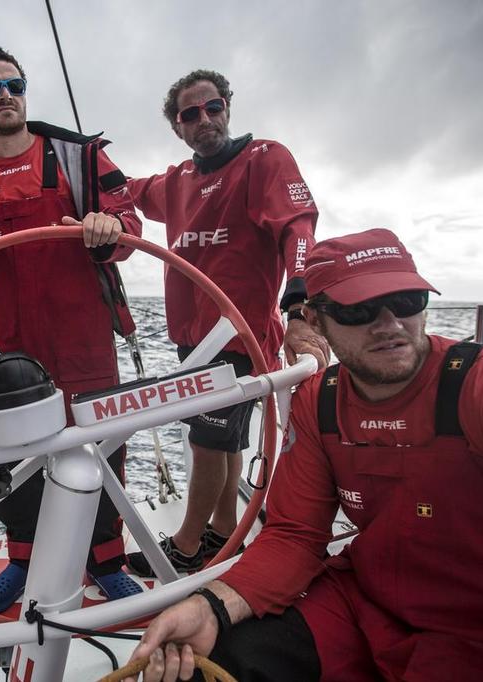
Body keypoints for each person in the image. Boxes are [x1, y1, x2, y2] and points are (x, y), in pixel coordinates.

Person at [125, 228, 483, 681]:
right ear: (315, 321)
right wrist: (212, 606)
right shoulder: (320, 402)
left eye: (408, 300)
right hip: (369, 608)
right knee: (210, 664)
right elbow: (296, 535)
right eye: (359, 310)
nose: (391, 323)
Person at [0, 47, 143, 613]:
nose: (4, 96)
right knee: (7, 452)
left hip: (84, 334)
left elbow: (129, 225)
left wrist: (108, 224)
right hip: (8, 346)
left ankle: (107, 558)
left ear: (25, 92)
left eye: (13, 85)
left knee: (103, 443)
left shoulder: (80, 156)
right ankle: (22, 557)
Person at [126, 70, 329, 576]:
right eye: (189, 114)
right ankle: (223, 530)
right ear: (178, 127)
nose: (204, 120)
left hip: (239, 337)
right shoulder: (176, 182)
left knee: (207, 442)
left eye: (212, 107)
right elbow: (121, 190)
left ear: (227, 107)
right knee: (227, 440)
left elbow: (298, 228)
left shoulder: (264, 160)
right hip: (191, 342)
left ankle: (188, 548)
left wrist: (299, 304)